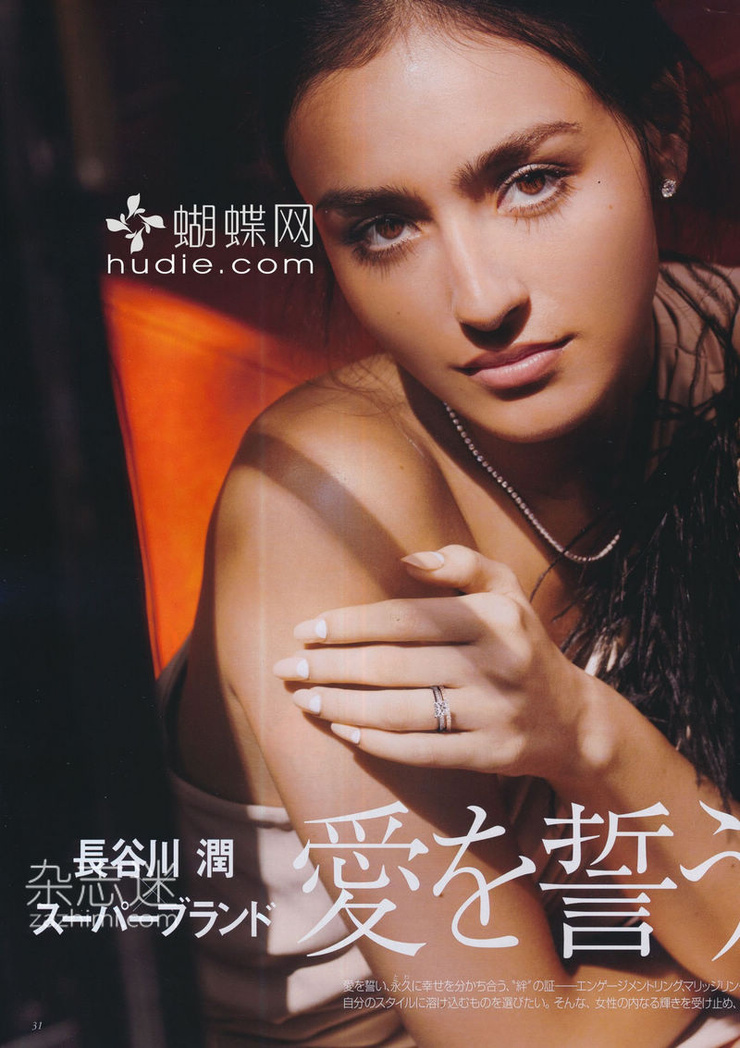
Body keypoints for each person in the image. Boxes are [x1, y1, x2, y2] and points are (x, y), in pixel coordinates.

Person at [165, 1, 740, 1044]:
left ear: (662, 130)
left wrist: (591, 741)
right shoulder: (323, 503)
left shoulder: (719, 356)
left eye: (531, 180)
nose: (479, 299)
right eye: (384, 226)